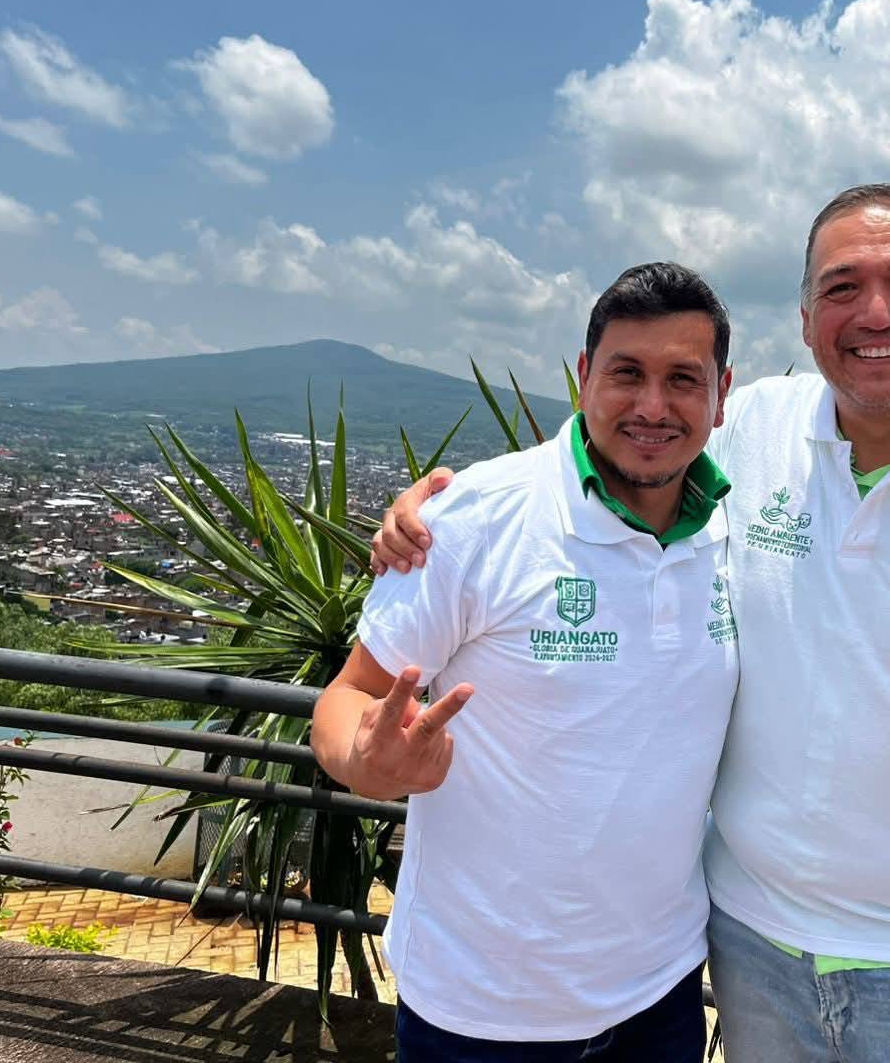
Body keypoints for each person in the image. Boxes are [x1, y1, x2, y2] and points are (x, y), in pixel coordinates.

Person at [373, 185, 890, 1063]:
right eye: (841, 287)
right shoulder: (750, 430)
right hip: (751, 941)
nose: (875, 312)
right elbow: (618, 452)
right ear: (806, 321)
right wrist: (440, 516)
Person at [312, 262, 738, 1062]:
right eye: (627, 373)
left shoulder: (735, 529)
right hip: (481, 1007)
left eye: (683, 379)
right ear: (583, 376)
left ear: (722, 393)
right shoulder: (475, 517)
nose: (653, 406)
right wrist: (368, 761)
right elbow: (350, 694)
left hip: (661, 990)